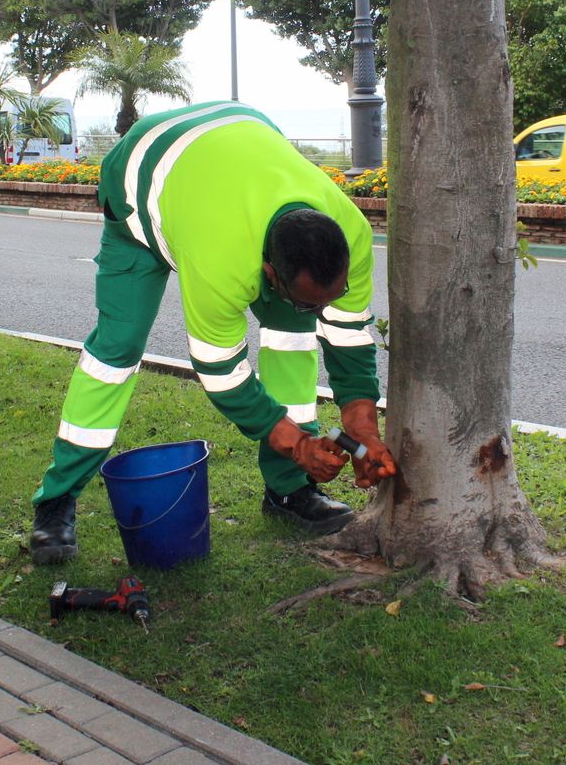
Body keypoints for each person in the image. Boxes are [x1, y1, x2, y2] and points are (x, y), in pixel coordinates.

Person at [30, 101, 398, 564]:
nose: (322, 310)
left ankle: (288, 490)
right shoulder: (218, 261)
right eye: (311, 302)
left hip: (234, 146)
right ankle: (56, 501)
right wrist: (298, 443)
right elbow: (220, 371)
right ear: (268, 273)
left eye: (331, 296)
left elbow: (348, 336)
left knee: (293, 335)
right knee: (115, 352)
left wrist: (363, 431)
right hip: (140, 185)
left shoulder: (353, 234)